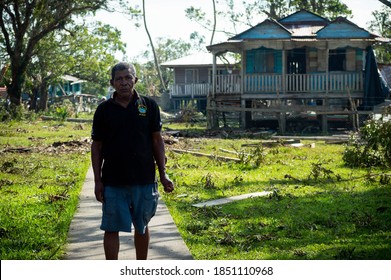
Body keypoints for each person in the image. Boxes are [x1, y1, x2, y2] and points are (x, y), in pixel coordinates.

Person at [91, 62, 174, 260]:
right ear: (112, 83)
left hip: (144, 179)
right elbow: (97, 146)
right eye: (119, 79)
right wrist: (97, 180)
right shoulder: (103, 110)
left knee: (142, 227)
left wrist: (163, 174)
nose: (124, 82)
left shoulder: (149, 106)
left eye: (128, 78)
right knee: (111, 228)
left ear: (135, 80)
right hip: (113, 180)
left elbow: (157, 140)